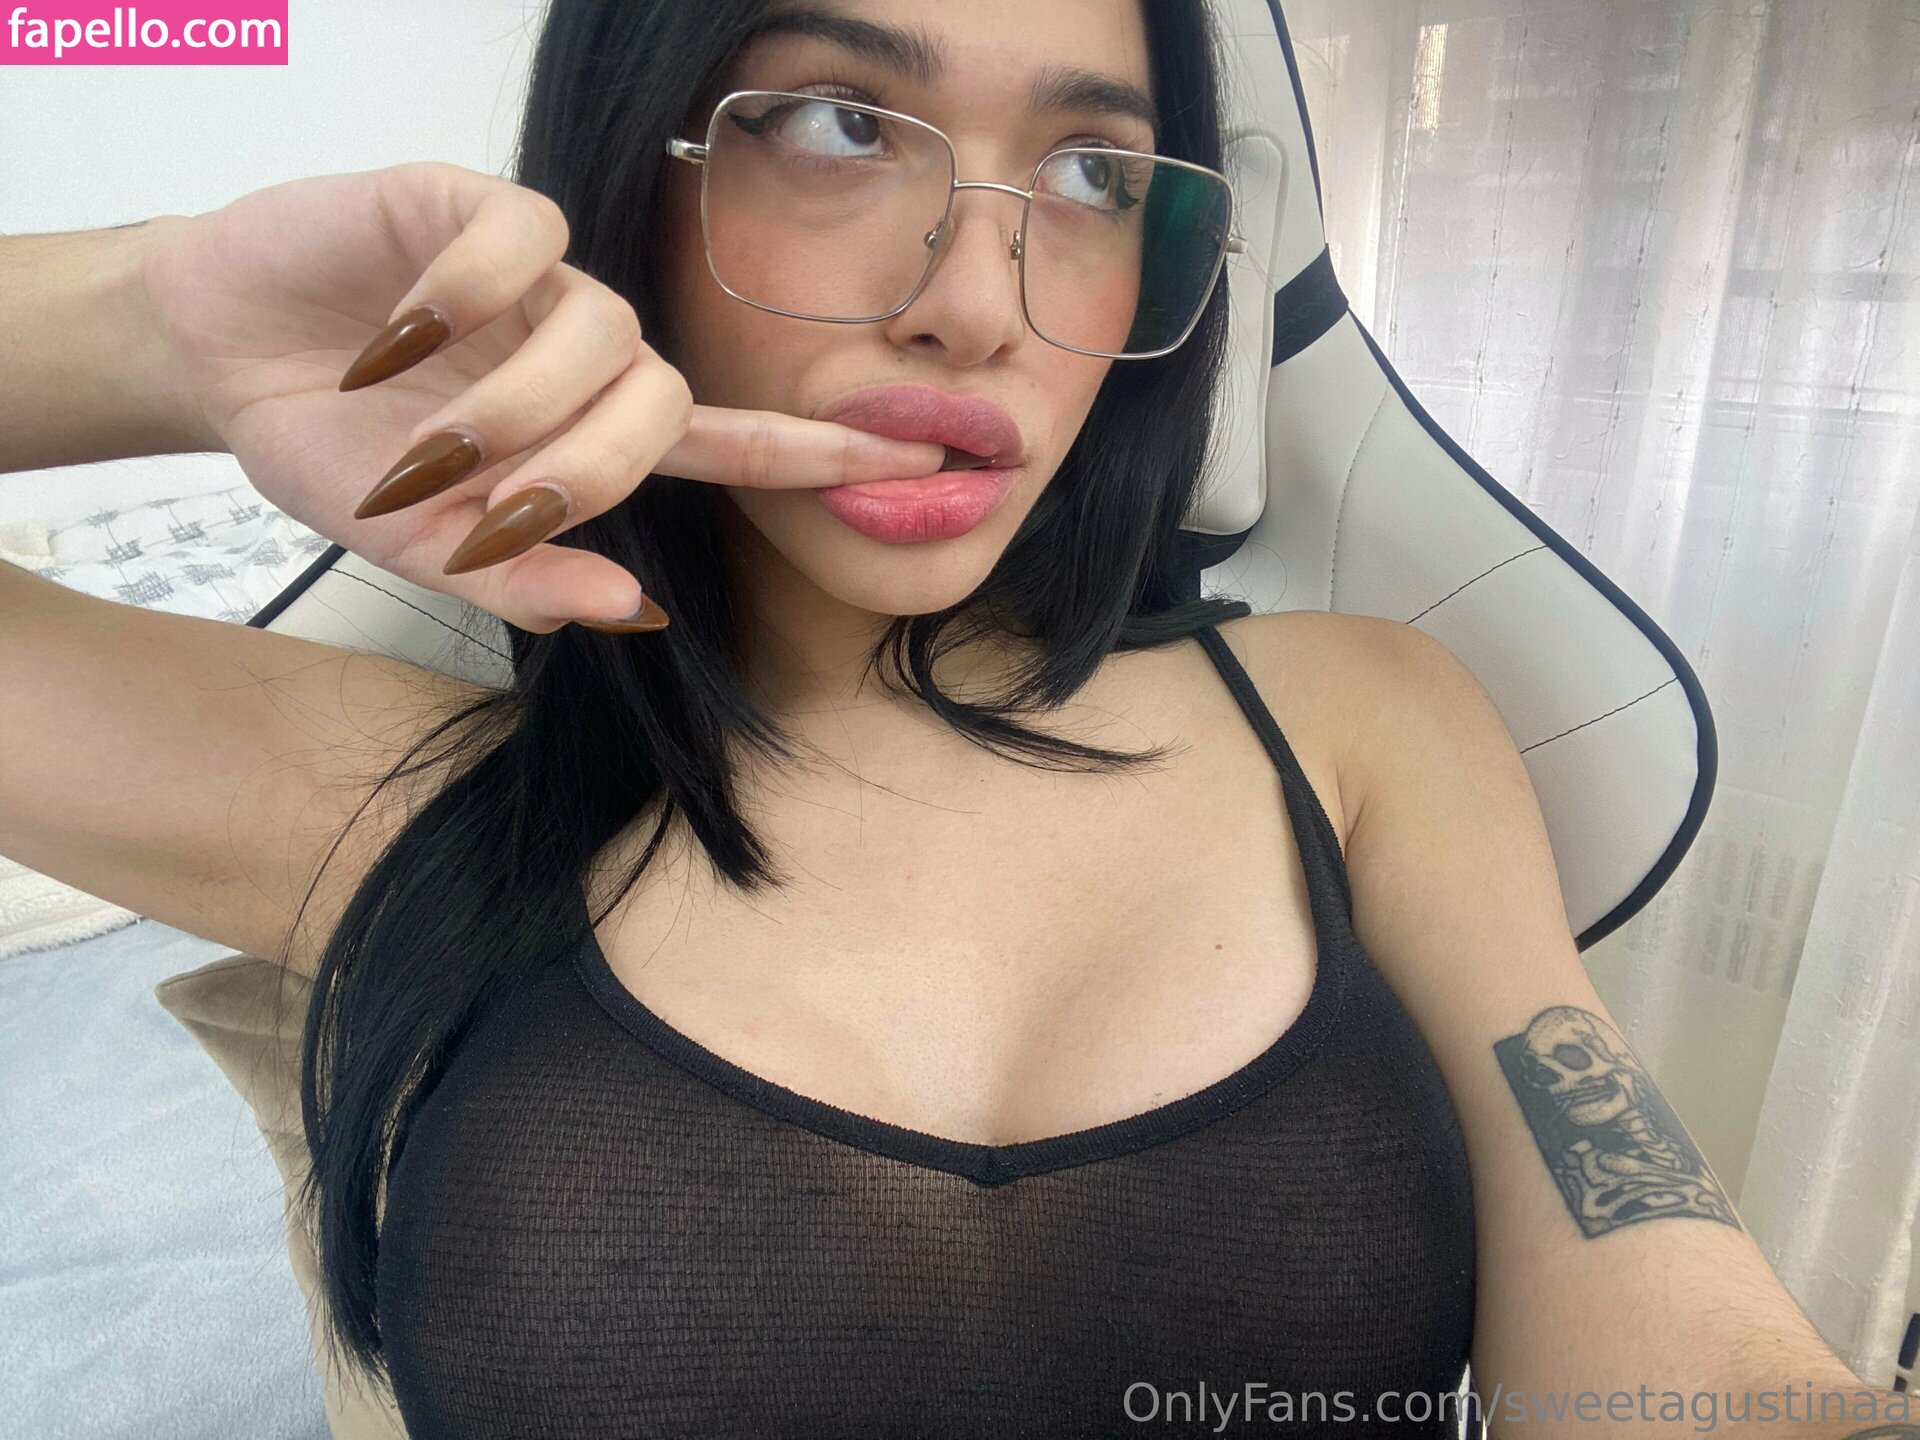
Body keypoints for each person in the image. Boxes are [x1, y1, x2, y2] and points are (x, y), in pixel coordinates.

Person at [0, 1, 1899, 1437]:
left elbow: (1668, 1325)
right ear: (629, 178)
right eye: (840, 124)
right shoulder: (392, 784)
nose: (979, 306)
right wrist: (155, 324)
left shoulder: (1359, 721)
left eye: (1091, 176)